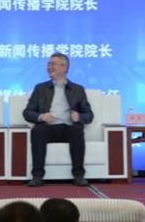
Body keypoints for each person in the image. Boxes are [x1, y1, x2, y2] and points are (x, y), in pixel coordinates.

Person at [22, 52, 94, 187]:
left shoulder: (77, 89)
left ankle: (79, 175)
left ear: (63, 67)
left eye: (52, 64)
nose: (49, 67)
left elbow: (89, 115)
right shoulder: (40, 88)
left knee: (77, 131)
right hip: (47, 127)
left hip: (68, 127)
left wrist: (79, 117)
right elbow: (27, 112)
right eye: (48, 64)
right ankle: (37, 176)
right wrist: (41, 116)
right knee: (38, 131)